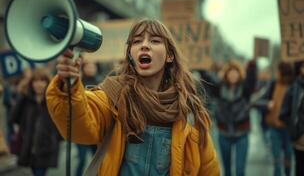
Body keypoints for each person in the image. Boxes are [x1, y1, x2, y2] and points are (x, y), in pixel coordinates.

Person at [46, 19, 220, 175]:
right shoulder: (112, 96)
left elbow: (209, 170)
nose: (144, 45)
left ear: (169, 55)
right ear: (130, 54)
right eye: (137, 41)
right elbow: (80, 128)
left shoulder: (188, 111)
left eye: (155, 41)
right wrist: (67, 86)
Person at [199, 59, 257, 176]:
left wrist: (252, 65)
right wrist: (201, 66)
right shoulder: (219, 88)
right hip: (224, 134)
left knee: (240, 171)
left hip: (241, 134)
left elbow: (252, 80)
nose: (233, 75)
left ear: (239, 74)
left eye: (235, 72)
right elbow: (208, 79)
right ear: (226, 74)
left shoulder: (245, 89)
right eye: (230, 72)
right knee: (227, 171)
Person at [11, 68, 61, 176]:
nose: (39, 84)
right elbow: (14, 117)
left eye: (42, 81)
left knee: (39, 173)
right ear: (31, 83)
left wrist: (54, 138)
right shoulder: (26, 100)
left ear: (47, 82)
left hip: (46, 148)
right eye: (36, 81)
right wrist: (22, 95)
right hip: (29, 147)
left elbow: (61, 121)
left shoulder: (53, 99)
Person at [261, 62, 294, 176]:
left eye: (278, 71)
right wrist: (267, 104)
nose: (276, 73)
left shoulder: (293, 86)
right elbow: (264, 99)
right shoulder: (273, 84)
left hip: (288, 128)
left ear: (282, 72)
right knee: (276, 157)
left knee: (288, 155)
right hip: (273, 126)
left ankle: (288, 173)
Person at [280, 60, 304, 176]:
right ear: (300, 68)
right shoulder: (293, 88)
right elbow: (283, 113)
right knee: (300, 169)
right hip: (300, 139)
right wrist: (297, 131)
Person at [75, 60, 99, 176]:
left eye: (92, 66)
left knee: (97, 160)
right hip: (81, 129)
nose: (90, 69)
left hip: (95, 128)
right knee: (82, 159)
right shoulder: (78, 82)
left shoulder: (100, 83)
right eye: (88, 66)